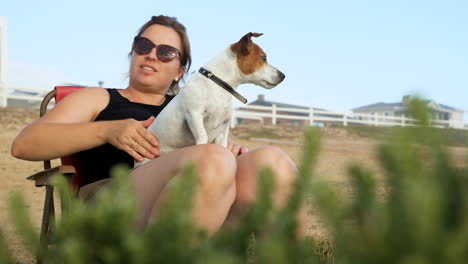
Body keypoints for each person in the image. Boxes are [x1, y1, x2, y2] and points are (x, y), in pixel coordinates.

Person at [11, 15, 306, 236]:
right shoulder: (98, 98)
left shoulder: (197, 107)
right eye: (143, 46)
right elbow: (25, 144)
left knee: (271, 160)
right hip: (116, 196)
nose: (152, 54)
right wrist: (108, 129)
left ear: (180, 71)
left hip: (203, 194)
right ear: (132, 54)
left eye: (166, 52)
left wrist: (232, 154)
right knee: (213, 159)